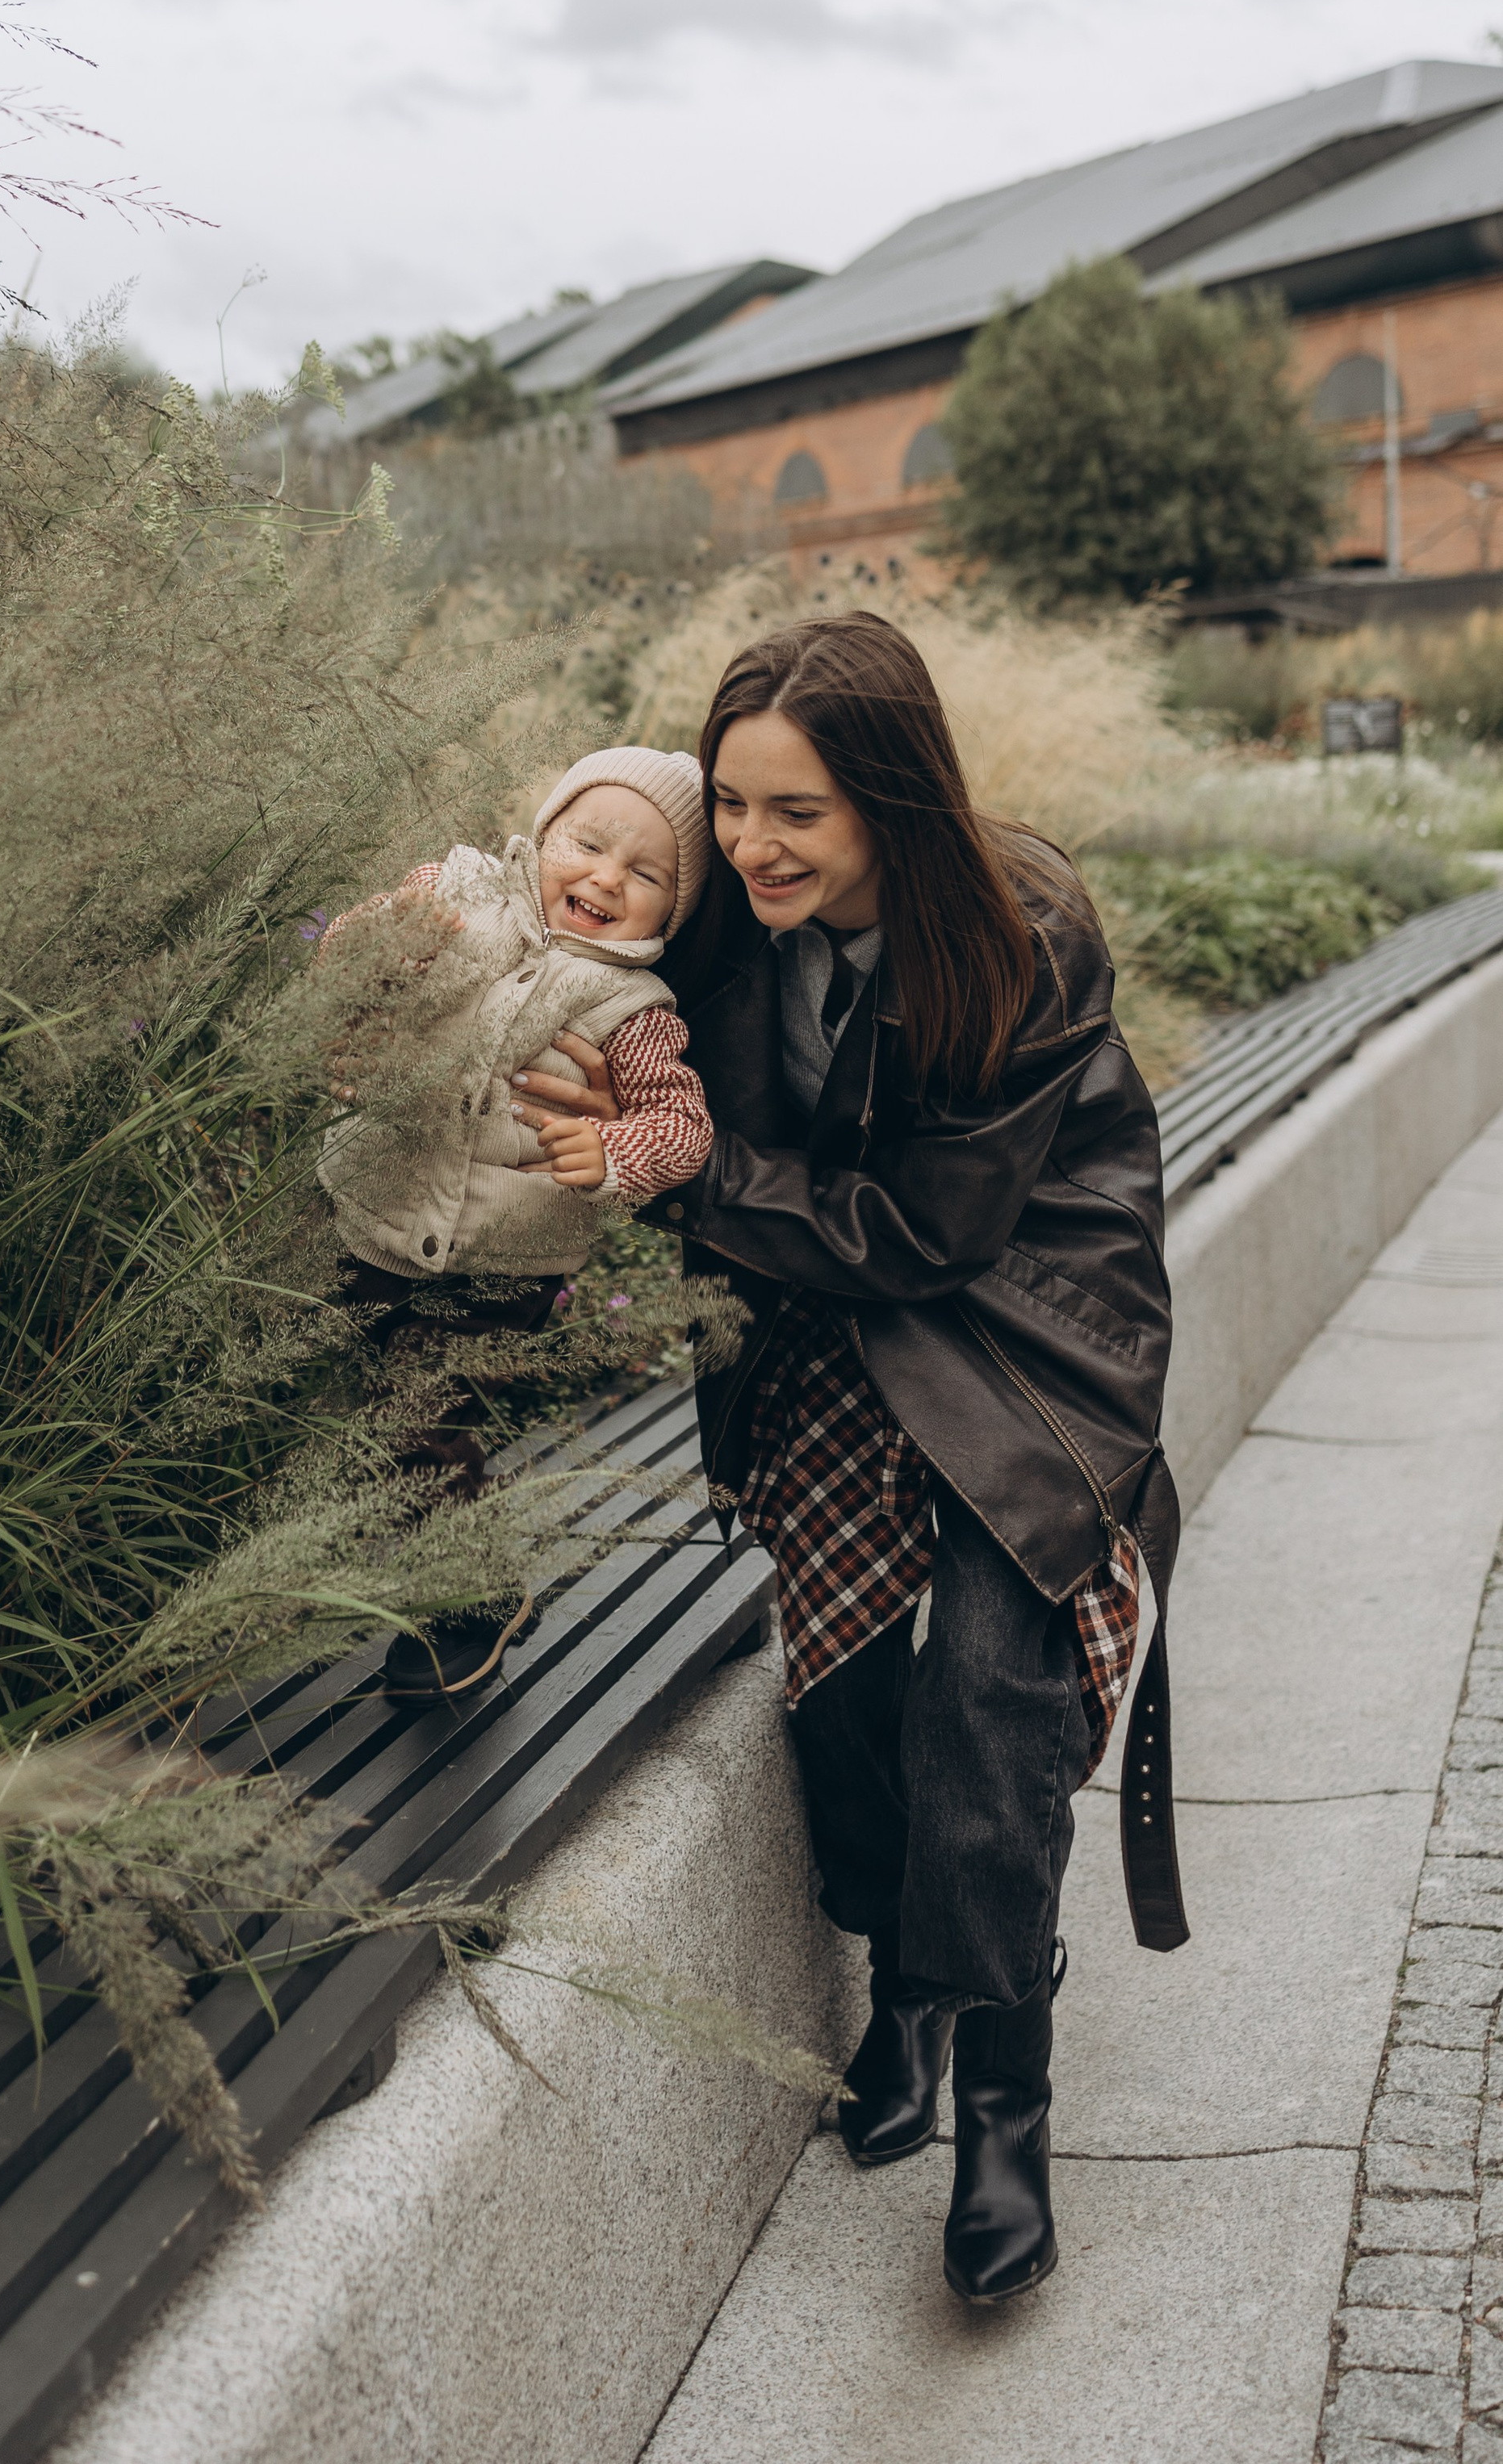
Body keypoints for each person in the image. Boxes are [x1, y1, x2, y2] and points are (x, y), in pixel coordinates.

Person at [513, 614, 1185, 2307]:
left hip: (1019, 1317)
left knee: (982, 1661)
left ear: (888, 795)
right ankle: (903, 1981)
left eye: (793, 811)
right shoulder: (725, 941)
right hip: (828, 1308)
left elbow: (925, 1231)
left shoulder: (1017, 935)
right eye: (731, 806)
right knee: (831, 1684)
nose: (749, 846)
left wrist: (677, 1177)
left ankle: (1004, 2098)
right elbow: (542, 942)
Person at [318, 747, 716, 1701]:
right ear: (541, 835)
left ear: (675, 910)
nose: (605, 878)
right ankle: (399, 1546)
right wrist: (383, 941)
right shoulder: (456, 891)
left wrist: (616, 1155)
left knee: (415, 1414)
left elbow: (681, 1122)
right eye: (586, 843)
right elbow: (346, 958)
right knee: (342, 1387)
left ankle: (466, 1595)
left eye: (646, 874)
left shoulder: (634, 1007)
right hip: (371, 1200)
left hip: (504, 1256)